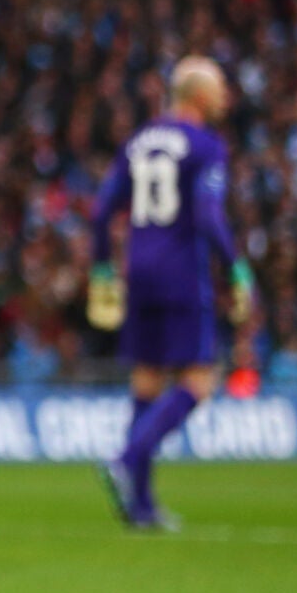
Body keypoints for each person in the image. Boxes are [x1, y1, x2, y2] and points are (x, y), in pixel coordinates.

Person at [86, 56, 254, 530]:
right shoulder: (206, 145)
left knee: (147, 379)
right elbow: (208, 213)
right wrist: (235, 266)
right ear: (199, 95)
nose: (226, 97)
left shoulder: (139, 140)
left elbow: (101, 212)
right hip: (182, 272)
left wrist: (102, 269)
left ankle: (139, 506)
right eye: (219, 88)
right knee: (199, 380)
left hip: (138, 270)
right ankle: (127, 459)